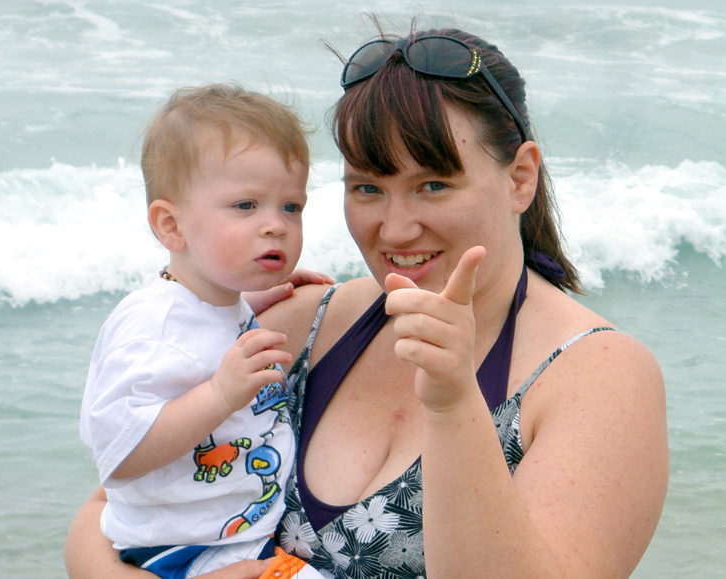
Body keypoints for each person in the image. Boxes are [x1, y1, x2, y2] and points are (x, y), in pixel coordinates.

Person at [67, 24, 669, 579]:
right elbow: (114, 505)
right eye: (368, 188)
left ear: (520, 178)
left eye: (433, 184)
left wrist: (454, 402)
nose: (396, 228)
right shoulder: (303, 323)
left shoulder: (599, 376)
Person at [79, 83, 326, 579]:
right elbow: (119, 453)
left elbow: (202, 329)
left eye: (290, 207)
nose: (275, 225)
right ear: (172, 226)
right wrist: (220, 393)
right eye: (245, 206)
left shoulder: (214, 304)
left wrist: (254, 298)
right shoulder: (151, 325)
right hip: (182, 547)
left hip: (229, 535)